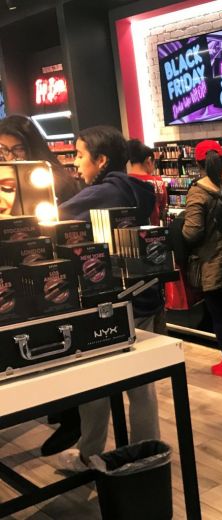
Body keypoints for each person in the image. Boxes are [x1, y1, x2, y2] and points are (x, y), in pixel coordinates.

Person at [56, 126, 162, 470]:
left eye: (80, 155)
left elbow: (53, 218)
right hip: (143, 294)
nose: (75, 163)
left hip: (109, 299)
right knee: (142, 384)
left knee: (95, 381)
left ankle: (89, 455)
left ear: (101, 159)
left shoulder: (103, 192)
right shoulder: (135, 188)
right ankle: (147, 454)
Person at [0, 115, 83, 455]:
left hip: (51, 273)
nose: (9, 157)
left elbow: (67, 232)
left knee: (58, 344)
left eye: (17, 149)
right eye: (2, 150)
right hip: (15, 275)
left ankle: (71, 417)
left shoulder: (51, 178)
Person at [183, 140, 222, 377]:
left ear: (197, 163)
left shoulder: (198, 192)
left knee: (218, 315)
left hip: (211, 263)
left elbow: (192, 232)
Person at [0, 115, 82, 203]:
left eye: (19, 149)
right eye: (4, 149)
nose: (11, 157)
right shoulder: (4, 174)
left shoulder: (56, 180)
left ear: (34, 147)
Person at [127, 139, 167, 225]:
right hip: (154, 229)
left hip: (132, 228)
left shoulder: (124, 182)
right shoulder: (158, 182)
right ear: (149, 160)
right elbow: (162, 209)